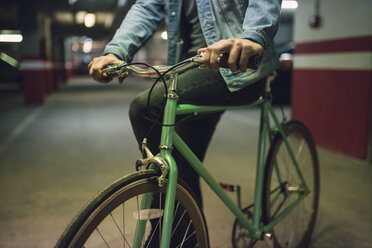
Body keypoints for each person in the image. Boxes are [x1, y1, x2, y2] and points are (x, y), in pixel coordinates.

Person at [89, 0, 281, 207]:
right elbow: (147, 6)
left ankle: (169, 233)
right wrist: (116, 51)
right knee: (181, 167)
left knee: (146, 108)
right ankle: (187, 236)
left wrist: (254, 36)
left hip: (236, 64)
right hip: (188, 67)